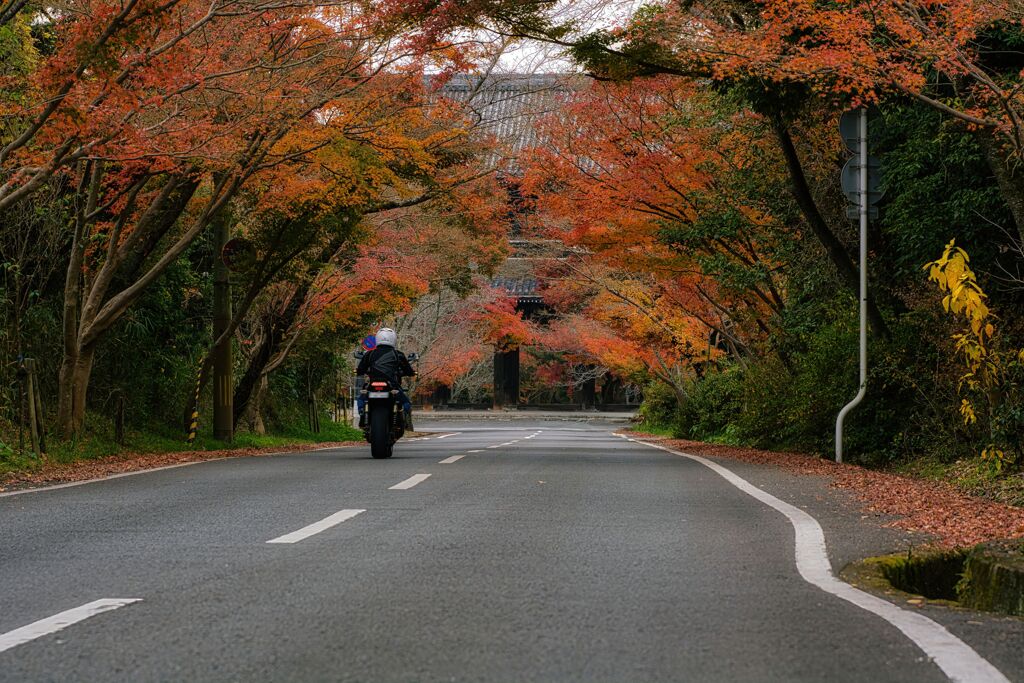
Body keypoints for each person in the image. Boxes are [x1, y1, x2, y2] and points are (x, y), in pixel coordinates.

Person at [356, 327, 416, 430]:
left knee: (361, 399)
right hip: (392, 386)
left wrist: (364, 371)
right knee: (406, 403)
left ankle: (363, 415)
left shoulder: (370, 354)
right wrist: (410, 373)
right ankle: (403, 421)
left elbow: (360, 370)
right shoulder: (398, 354)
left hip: (373, 385)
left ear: (378, 339)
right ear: (393, 339)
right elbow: (408, 371)